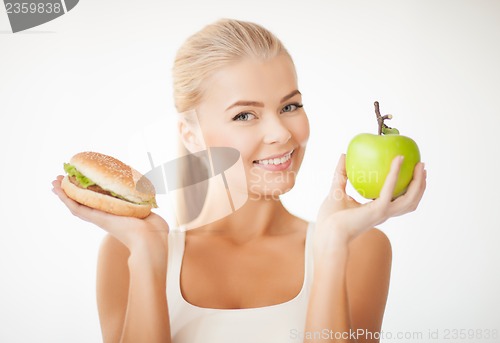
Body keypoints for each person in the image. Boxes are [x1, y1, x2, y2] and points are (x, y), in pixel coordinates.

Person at [51, 19, 426, 343]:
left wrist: (331, 246)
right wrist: (147, 255)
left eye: (290, 106)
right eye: (245, 115)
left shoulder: (360, 247)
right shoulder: (125, 252)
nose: (281, 133)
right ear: (191, 134)